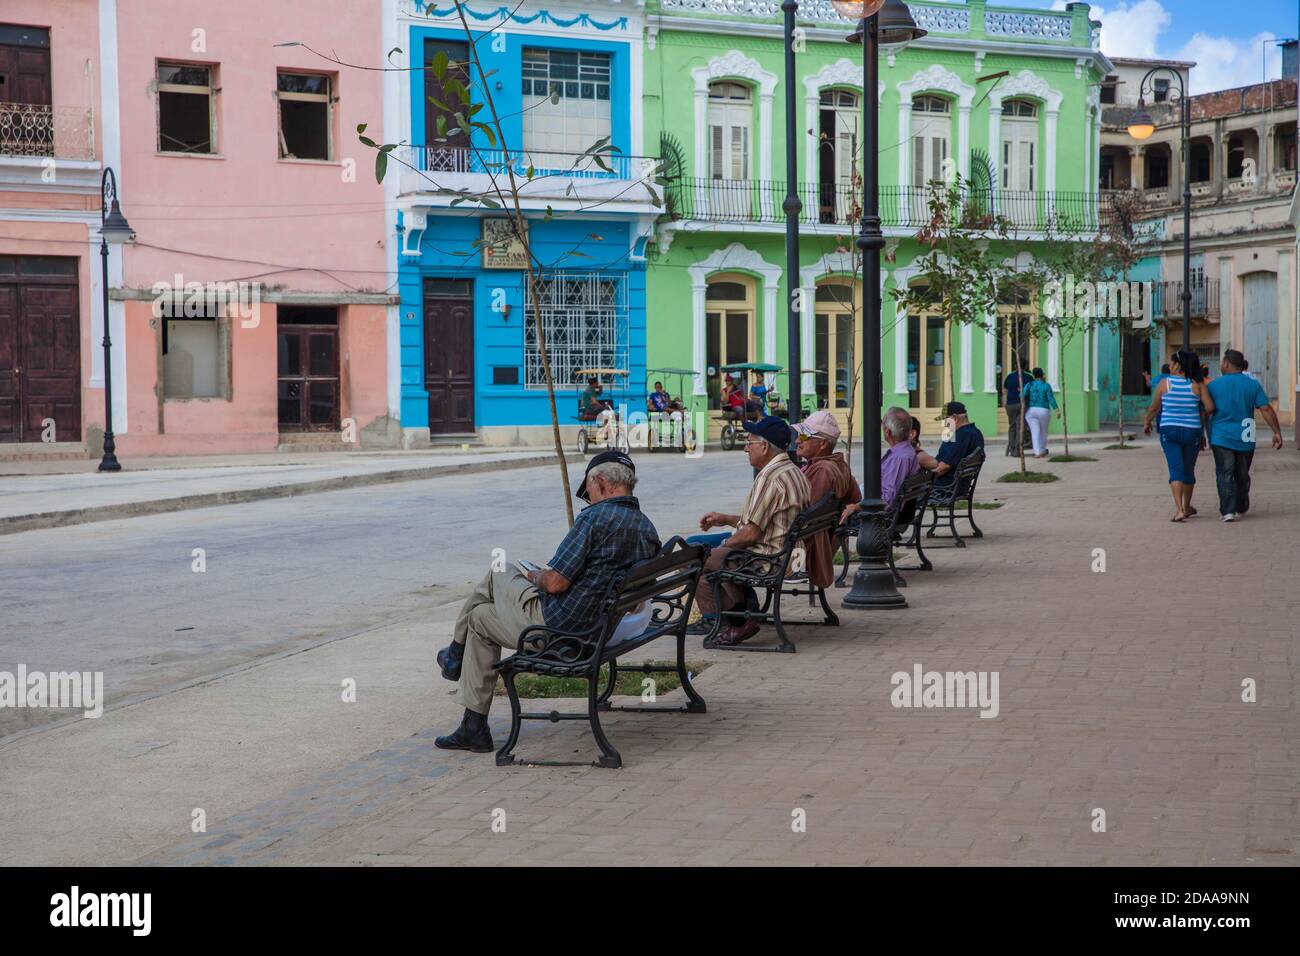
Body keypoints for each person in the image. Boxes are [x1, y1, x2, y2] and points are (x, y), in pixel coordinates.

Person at [432, 451, 660, 753]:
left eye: (588, 490)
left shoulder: (594, 519)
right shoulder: (647, 528)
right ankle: (472, 726)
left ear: (602, 482)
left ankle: (454, 655)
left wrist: (536, 575)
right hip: (595, 631)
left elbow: (555, 583)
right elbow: (636, 597)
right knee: (480, 617)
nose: (588, 498)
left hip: (557, 629)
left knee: (498, 571)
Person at [690, 416, 811, 647]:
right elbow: (765, 522)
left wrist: (722, 547)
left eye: (749, 442)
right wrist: (725, 519)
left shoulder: (769, 477)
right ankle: (741, 611)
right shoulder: (794, 471)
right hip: (790, 554)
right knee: (707, 551)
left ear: (764, 446)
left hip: (769, 559)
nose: (746, 448)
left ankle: (736, 620)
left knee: (698, 557)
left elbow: (751, 535)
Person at [1207, 348, 1284, 522]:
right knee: (1242, 473)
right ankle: (1241, 504)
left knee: (1224, 473)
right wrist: (1277, 432)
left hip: (1221, 436)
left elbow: (1205, 410)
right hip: (1246, 435)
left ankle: (1227, 510)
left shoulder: (1213, 385)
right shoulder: (1252, 384)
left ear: (1226, 363)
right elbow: (1265, 408)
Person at [792, 410, 860, 589]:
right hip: (814, 545)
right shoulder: (839, 466)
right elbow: (856, 499)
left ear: (822, 443)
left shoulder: (823, 471)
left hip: (799, 555)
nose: (797, 441)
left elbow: (802, 516)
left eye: (804, 437)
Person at [1144, 348, 1214, 523]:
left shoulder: (1165, 384)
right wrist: (1199, 416)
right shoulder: (1198, 384)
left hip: (1169, 431)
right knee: (1188, 470)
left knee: (1176, 470)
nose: (1170, 364)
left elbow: (1154, 407)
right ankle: (1188, 506)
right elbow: (1210, 407)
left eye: (1172, 362)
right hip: (1192, 432)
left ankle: (1179, 510)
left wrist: (1147, 422)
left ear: (1178, 365)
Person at [841, 407, 919, 526]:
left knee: (832, 516)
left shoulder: (900, 458)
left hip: (882, 516)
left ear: (887, 432)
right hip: (884, 507)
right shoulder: (905, 451)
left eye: (883, 425)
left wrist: (856, 507)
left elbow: (887, 500)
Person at [923, 401, 985, 492]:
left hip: (947, 486)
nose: (944, 424)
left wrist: (924, 479)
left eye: (946, 420)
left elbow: (944, 467)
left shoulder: (963, 435)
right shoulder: (975, 432)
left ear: (955, 418)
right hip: (957, 483)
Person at [1022, 368, 1059, 459]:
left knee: (1035, 432)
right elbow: (1051, 398)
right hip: (1043, 410)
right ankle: (1042, 450)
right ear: (1042, 375)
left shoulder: (1029, 385)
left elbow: (1022, 395)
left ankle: (1037, 452)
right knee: (1043, 431)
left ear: (1033, 375)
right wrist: (1057, 409)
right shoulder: (1046, 385)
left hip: (1031, 411)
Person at [1002, 367, 1033, 457]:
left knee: (1012, 426)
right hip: (1022, 405)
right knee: (1020, 427)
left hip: (1010, 404)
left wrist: (1005, 403)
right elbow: (1031, 391)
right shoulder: (1029, 377)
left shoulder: (1009, 376)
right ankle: (1017, 450)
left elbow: (1005, 390)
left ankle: (1012, 448)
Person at [579, 375, 614, 444]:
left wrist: (600, 389)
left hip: (590, 408)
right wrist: (602, 407)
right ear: (594, 383)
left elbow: (598, 394)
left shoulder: (591, 389)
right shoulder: (590, 389)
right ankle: (604, 431)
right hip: (587, 408)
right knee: (605, 411)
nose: (598, 384)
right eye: (597, 383)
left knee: (605, 412)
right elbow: (594, 401)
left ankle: (603, 430)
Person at [648, 380, 683, 444]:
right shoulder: (653, 395)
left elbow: (669, 402)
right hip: (662, 412)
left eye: (659, 387)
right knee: (665, 408)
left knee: (678, 417)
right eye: (657, 387)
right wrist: (652, 407)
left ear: (661, 387)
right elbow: (649, 404)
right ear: (655, 388)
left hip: (670, 411)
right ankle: (681, 411)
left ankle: (679, 437)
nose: (658, 388)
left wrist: (664, 395)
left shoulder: (666, 394)